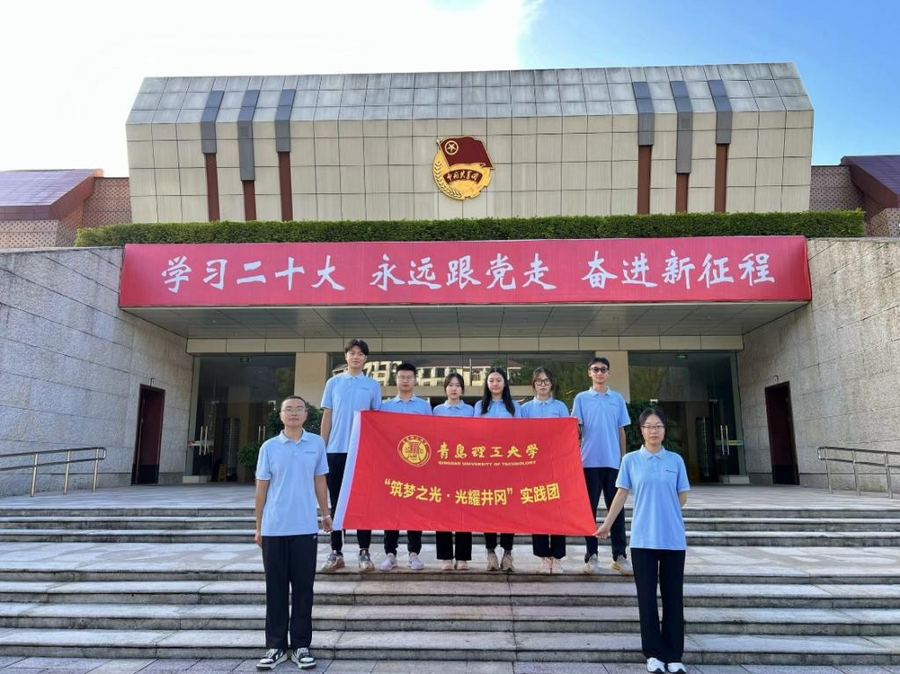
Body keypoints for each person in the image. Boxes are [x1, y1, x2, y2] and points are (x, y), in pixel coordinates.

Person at [596, 407, 689, 674]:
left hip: (672, 539)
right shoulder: (630, 460)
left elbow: (682, 497)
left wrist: (664, 511)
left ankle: (674, 655)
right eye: (649, 427)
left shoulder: (675, 460)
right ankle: (653, 654)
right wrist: (606, 524)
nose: (654, 431)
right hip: (642, 540)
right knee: (646, 598)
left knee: (673, 598)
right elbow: (621, 495)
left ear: (664, 430)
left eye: (658, 426)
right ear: (641, 431)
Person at [254, 396, 330, 671]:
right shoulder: (269, 447)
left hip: (305, 527)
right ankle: (275, 646)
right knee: (275, 589)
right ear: (281, 415)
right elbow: (261, 488)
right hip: (275, 528)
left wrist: (326, 513)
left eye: (299, 409)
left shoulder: (316, 444)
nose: (294, 413)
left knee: (303, 589)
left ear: (307, 414)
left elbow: (320, 480)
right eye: (289, 409)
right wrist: (259, 526)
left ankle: (300, 646)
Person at [320, 339, 381, 573]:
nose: (356, 357)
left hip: (362, 452)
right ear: (345, 356)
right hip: (335, 451)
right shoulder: (333, 383)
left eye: (360, 353)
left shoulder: (372, 385)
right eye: (352, 353)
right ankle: (336, 552)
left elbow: (376, 420)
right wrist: (322, 448)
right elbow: (327, 416)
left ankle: (364, 551)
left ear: (365, 358)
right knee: (337, 503)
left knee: (363, 502)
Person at [572, 356, 632, 575]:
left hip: (613, 463)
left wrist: (623, 459)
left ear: (608, 372)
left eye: (603, 369)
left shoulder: (617, 399)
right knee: (588, 511)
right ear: (589, 372)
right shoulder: (581, 398)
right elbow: (575, 429)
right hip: (588, 462)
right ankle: (592, 555)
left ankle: (619, 556)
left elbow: (621, 430)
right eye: (595, 369)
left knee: (616, 510)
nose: (599, 373)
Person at [378, 362, 433, 571]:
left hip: (416, 465)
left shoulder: (424, 406)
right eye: (402, 377)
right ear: (396, 380)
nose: (405, 380)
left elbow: (431, 434)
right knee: (391, 510)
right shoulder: (386, 406)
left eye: (409, 377)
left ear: (415, 380)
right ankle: (390, 553)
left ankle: (414, 554)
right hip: (392, 466)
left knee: (414, 510)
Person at [521, 366, 570, 574]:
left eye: (546, 381)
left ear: (551, 384)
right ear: (534, 384)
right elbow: (520, 437)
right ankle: (543, 557)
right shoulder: (525, 409)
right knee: (538, 511)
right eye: (539, 381)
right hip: (534, 467)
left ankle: (557, 557)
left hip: (557, 465)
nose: (543, 384)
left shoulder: (560, 407)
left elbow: (568, 436)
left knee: (558, 511)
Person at [473, 366, 522, 572]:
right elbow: (474, 434)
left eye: (498, 380)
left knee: (509, 510)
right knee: (489, 509)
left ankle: (508, 553)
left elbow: (521, 434)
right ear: (486, 384)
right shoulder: (479, 405)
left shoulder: (514, 406)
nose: (495, 384)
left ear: (505, 383)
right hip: (486, 467)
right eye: (491, 380)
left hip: (509, 466)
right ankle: (491, 552)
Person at [433, 372, 475, 571]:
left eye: (458, 385)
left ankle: (463, 557)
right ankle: (446, 557)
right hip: (442, 468)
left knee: (464, 512)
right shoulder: (436, 410)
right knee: (442, 512)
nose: (454, 389)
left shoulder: (470, 410)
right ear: (445, 389)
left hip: (465, 468)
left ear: (462, 390)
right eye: (450, 385)